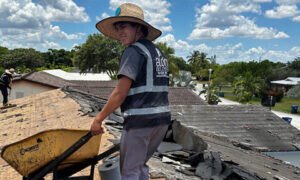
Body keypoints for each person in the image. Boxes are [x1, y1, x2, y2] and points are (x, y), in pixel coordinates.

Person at [91, 3, 171, 180]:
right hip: (161, 121)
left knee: (129, 171)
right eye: (118, 28)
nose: (120, 32)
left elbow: (120, 93)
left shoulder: (133, 51)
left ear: (138, 28)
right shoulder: (158, 52)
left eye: (124, 26)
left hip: (140, 121)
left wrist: (98, 119)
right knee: (140, 166)